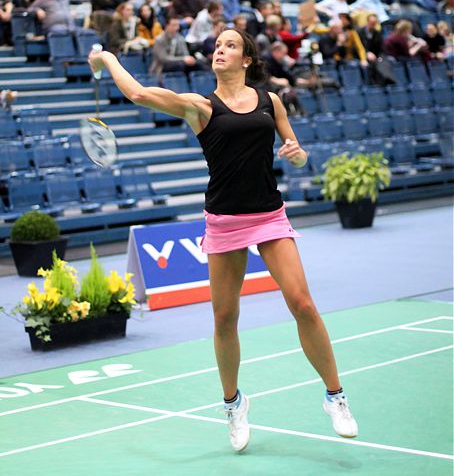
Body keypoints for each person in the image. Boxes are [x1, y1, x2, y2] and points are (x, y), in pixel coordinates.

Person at [88, 27, 358, 453]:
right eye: (216, 45)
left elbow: (297, 151)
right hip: (225, 222)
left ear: (247, 59)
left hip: (269, 215)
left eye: (230, 45)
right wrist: (106, 59)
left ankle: (335, 396)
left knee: (303, 303)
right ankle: (233, 404)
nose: (220, 50)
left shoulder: (270, 101)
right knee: (224, 319)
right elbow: (139, 94)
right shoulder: (200, 107)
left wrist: (297, 155)